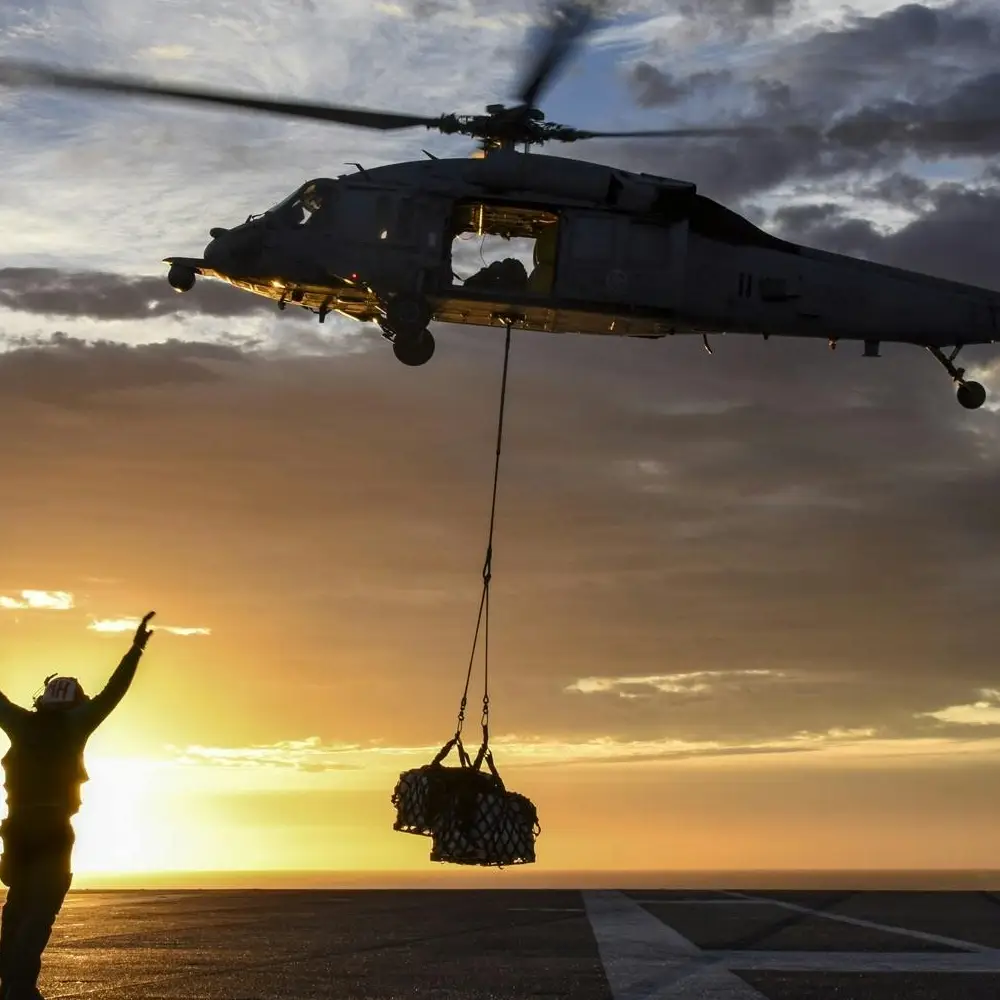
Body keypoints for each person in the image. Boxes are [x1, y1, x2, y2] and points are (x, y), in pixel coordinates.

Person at [0, 611, 156, 1000]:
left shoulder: (19, 722)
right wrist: (135, 650)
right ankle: (18, 989)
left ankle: (9, 984)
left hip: (16, 828)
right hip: (53, 827)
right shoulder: (75, 725)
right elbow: (113, 693)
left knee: (17, 908)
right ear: (74, 704)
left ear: (44, 700)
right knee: (39, 909)